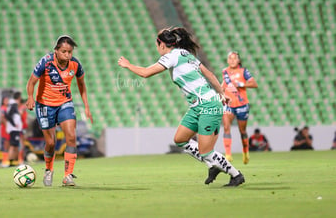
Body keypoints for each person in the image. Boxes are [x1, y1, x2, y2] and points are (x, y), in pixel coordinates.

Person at [118, 27, 245, 186]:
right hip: (198, 105)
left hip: (208, 106)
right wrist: (222, 93)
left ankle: (236, 175)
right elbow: (210, 74)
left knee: (206, 151)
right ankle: (212, 165)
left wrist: (128, 65)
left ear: (162, 45)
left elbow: (145, 73)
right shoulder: (186, 54)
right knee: (180, 139)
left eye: (157, 45)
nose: (157, 49)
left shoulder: (171, 57)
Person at [26, 35, 93, 187]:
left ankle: (67, 176)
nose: (67, 55)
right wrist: (30, 97)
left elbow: (82, 85)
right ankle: (49, 170)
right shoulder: (46, 62)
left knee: (71, 136)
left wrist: (86, 105)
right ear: (56, 51)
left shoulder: (75, 65)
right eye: (64, 51)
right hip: (44, 105)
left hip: (65, 103)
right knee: (50, 143)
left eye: (70, 52)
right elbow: (31, 82)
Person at [221, 51, 258, 164]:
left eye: (234, 58)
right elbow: (223, 85)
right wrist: (221, 95)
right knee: (226, 127)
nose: (232, 60)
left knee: (242, 131)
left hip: (242, 105)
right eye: (230, 58)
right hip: (229, 104)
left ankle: (245, 151)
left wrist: (241, 84)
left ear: (238, 60)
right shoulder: (225, 72)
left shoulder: (243, 71)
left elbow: (254, 84)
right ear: (227, 60)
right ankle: (228, 154)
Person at [6, 92, 23, 167]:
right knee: (13, 145)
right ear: (19, 98)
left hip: (14, 129)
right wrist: (14, 124)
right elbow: (8, 115)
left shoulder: (11, 104)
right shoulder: (14, 105)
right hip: (14, 129)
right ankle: (10, 161)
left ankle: (14, 161)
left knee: (15, 145)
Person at [0, 96, 10, 167]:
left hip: (9, 128)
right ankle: (4, 161)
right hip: (5, 128)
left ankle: (7, 159)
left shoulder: (8, 108)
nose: (7, 101)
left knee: (9, 143)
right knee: (5, 144)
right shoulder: (3, 108)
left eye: (7, 100)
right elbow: (2, 118)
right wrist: (7, 126)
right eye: (5, 100)